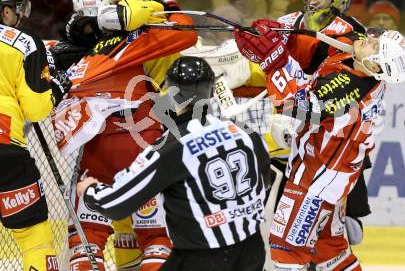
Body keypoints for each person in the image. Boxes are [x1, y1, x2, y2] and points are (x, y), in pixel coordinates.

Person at [235, 25, 405, 270]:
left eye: (376, 44)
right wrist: (282, 38)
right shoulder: (358, 65)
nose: (368, 38)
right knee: (330, 252)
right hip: (332, 178)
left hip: (315, 182)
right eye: (376, 36)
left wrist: (273, 60)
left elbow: (294, 106)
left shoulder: (350, 86)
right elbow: (312, 73)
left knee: (287, 249)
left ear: (375, 66)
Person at [52, 0, 198, 270]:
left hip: (109, 142)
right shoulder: (127, 35)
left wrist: (157, 8)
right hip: (137, 140)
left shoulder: (144, 27)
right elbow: (185, 30)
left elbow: (184, 29)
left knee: (88, 236)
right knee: (154, 235)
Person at [76, 56, 271, 271]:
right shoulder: (246, 132)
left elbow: (115, 205)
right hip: (252, 250)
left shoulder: (170, 148)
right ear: (213, 90)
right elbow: (264, 181)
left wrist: (89, 191)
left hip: (201, 259)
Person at [0, 0, 71, 271]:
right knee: (35, 241)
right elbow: (36, 107)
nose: (19, 15)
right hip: (5, 149)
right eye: (16, 9)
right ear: (5, 12)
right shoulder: (23, 42)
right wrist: (57, 86)